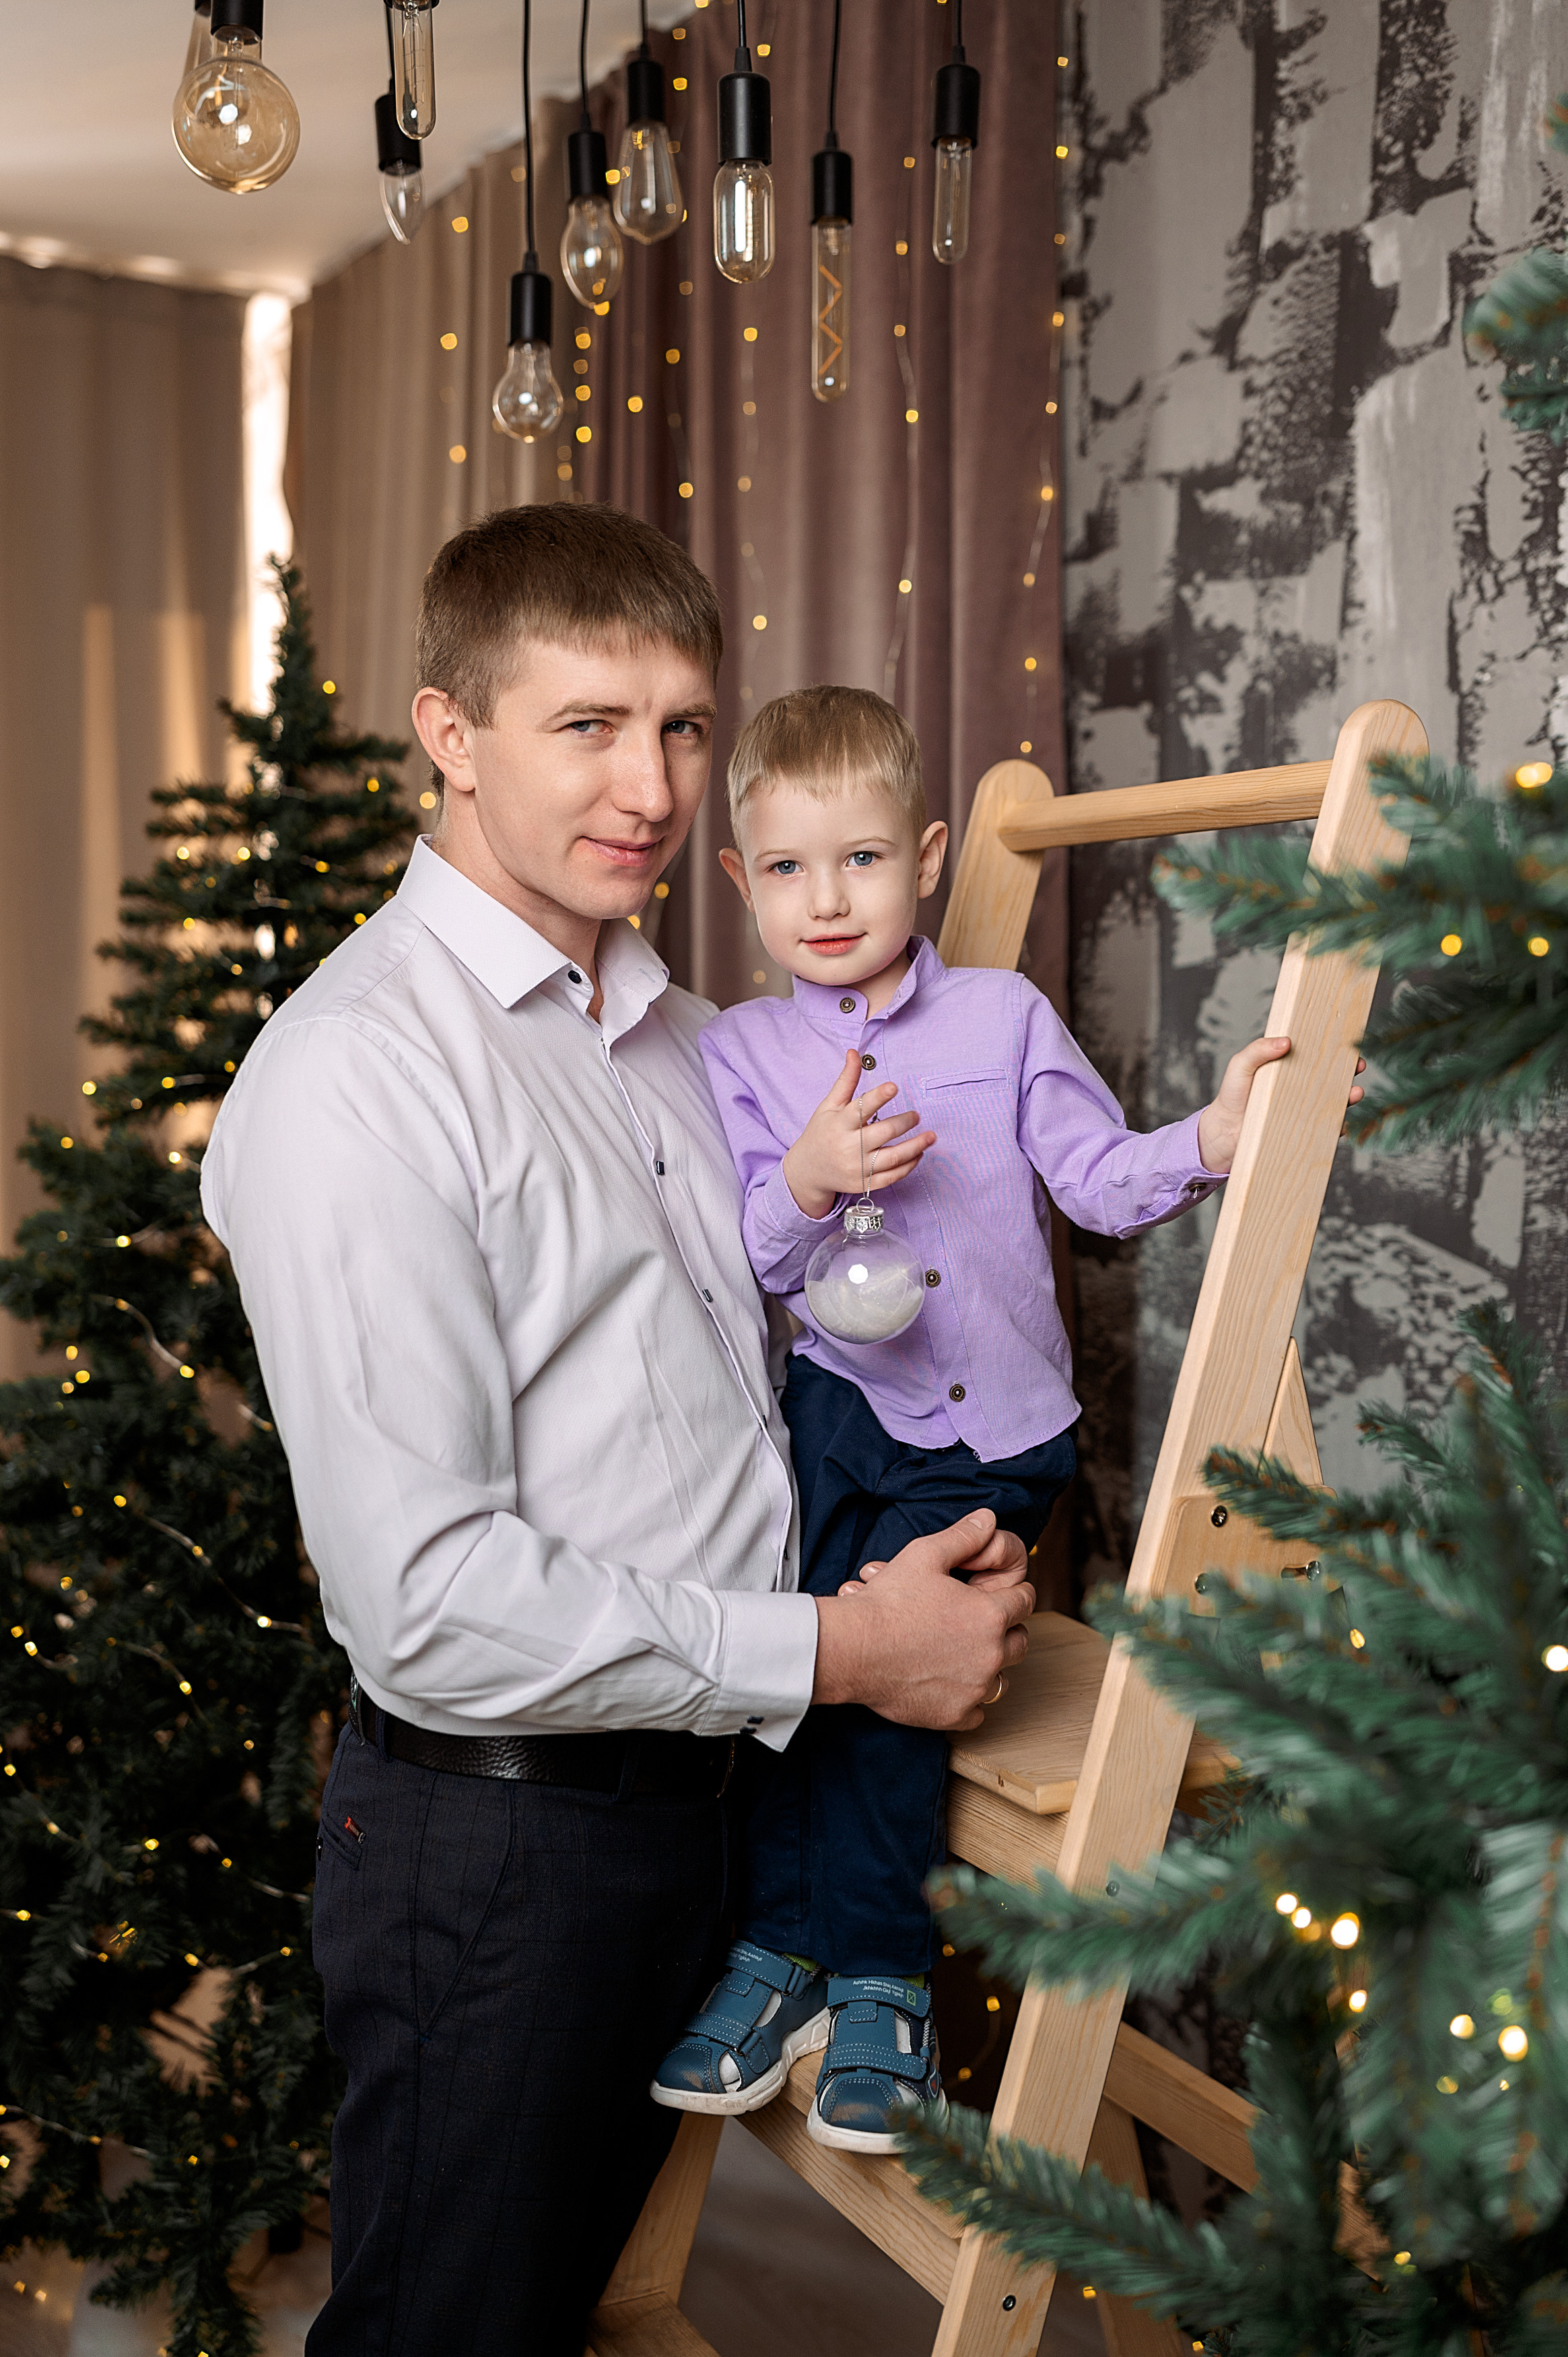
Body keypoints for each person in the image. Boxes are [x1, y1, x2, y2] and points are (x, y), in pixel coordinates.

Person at [200, 510, 1037, 2357]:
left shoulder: (682, 1035)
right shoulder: (358, 1075)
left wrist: (930, 1512)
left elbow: (759, 1385)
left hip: (706, 1813)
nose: (649, 785)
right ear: (450, 729)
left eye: (678, 727)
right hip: (502, 1854)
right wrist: (846, 1648)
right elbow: (422, 1597)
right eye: (585, 725)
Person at [651, 684, 1361, 2154]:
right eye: (786, 867)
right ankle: (778, 1947)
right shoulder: (735, 1057)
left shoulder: (997, 1014)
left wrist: (1212, 1142)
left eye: (858, 859)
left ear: (922, 858)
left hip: (988, 1437)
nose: (825, 897)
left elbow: (1094, 1182)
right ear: (740, 884)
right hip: (838, 1409)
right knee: (798, 1670)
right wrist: (805, 1174)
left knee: (897, 1684)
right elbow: (733, 1256)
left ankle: (881, 1985)